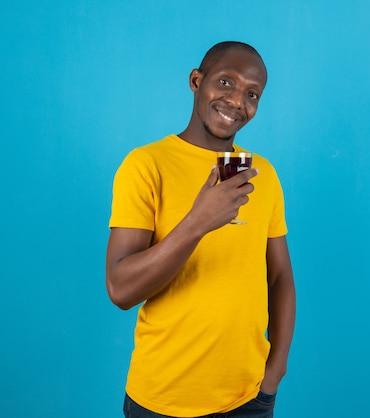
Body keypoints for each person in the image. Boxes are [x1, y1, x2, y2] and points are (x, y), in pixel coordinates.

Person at [105, 41, 296, 418]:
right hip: (163, 400)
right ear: (197, 80)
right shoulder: (146, 165)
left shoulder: (263, 174)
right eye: (226, 82)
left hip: (248, 400)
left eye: (252, 93)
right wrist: (198, 222)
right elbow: (120, 289)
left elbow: (280, 278)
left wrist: (275, 371)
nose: (237, 100)